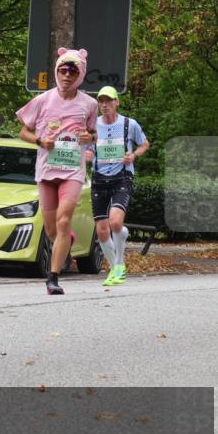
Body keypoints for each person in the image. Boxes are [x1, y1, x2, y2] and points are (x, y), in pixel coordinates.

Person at [17, 47, 98, 295]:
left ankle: (53, 278)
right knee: (52, 229)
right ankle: (67, 242)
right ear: (56, 72)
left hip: (72, 171)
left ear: (80, 74)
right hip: (46, 170)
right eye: (63, 70)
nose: (66, 75)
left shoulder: (90, 104)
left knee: (64, 221)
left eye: (72, 71)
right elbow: (23, 132)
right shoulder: (43, 100)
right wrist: (41, 141)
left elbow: (96, 134)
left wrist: (89, 136)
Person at [83, 86, 150, 286]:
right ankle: (115, 268)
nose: (104, 106)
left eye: (108, 101)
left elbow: (145, 144)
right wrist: (87, 156)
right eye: (101, 102)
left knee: (115, 222)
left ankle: (119, 262)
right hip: (99, 179)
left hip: (122, 177)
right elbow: (87, 150)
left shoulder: (130, 124)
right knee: (102, 230)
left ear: (116, 102)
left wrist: (133, 155)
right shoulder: (92, 127)